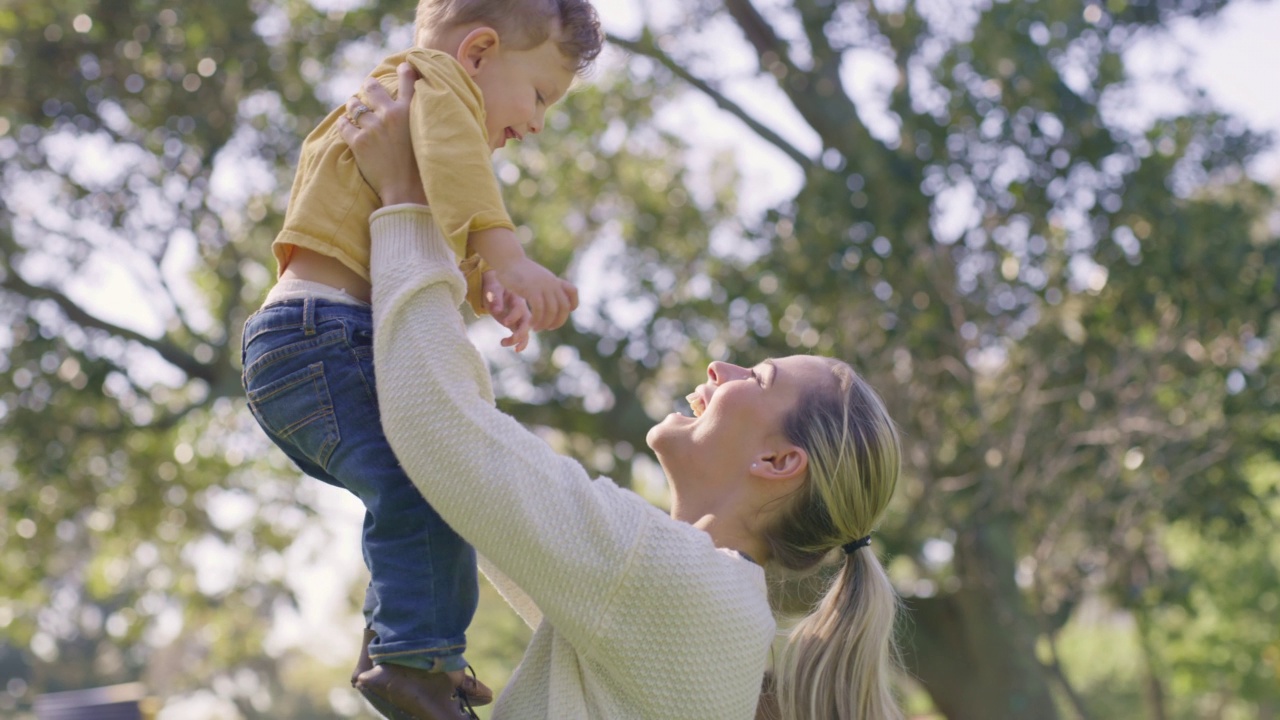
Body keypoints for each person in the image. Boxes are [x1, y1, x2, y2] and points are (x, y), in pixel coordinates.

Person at [337, 67, 908, 720]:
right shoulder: (692, 600)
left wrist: (406, 200)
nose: (723, 366)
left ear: (778, 463)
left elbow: (442, 431)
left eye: (759, 378)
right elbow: (475, 480)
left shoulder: (687, 589)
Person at [240, 2, 604, 718]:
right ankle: (416, 659)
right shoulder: (431, 84)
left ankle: (405, 645)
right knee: (420, 489)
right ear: (478, 53)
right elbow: (456, 166)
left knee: (426, 492)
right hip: (324, 341)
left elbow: (425, 223)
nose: (535, 123)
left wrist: (488, 288)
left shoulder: (407, 108)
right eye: (539, 95)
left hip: (308, 348)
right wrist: (508, 255)